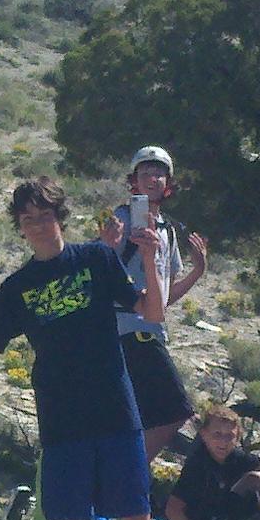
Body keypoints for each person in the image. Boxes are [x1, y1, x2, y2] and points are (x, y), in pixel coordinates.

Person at [0, 176, 181, 520]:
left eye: (45, 216)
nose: (39, 226)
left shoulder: (97, 259)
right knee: (70, 517)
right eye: (28, 220)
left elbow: (152, 313)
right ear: (19, 229)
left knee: (135, 509)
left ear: (59, 217)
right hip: (61, 415)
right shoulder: (19, 287)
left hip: (114, 404)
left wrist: (149, 257)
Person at [102, 145, 206, 461]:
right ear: (133, 181)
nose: (153, 178)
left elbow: (163, 298)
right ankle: (130, 474)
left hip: (150, 330)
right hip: (130, 331)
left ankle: (122, 480)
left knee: (137, 419)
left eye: (159, 173)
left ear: (168, 184)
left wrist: (198, 271)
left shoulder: (167, 230)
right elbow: (100, 270)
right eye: (145, 172)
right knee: (176, 411)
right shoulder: (122, 218)